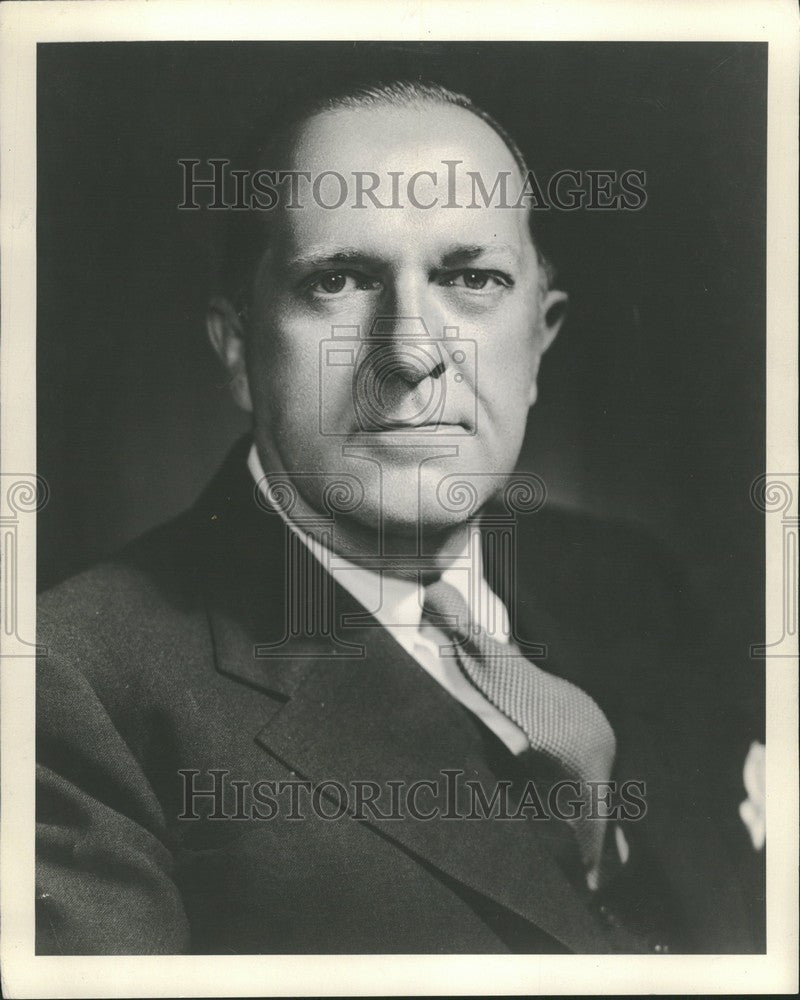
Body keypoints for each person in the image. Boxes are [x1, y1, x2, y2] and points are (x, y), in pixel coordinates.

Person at [36, 80, 763, 955]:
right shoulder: (74, 684)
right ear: (238, 351)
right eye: (337, 280)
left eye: (471, 279)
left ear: (540, 339)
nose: (412, 352)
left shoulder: (631, 581)